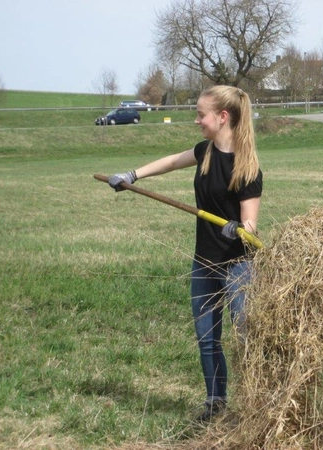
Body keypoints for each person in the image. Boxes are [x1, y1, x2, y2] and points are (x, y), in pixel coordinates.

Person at [107, 85, 263, 423]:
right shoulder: (204, 152)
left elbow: (251, 225)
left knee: (245, 338)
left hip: (238, 265)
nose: (196, 120)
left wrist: (238, 227)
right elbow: (171, 162)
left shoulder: (247, 167)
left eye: (201, 115)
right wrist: (132, 175)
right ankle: (215, 402)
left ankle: (258, 406)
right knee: (207, 338)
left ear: (222, 117)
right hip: (204, 261)